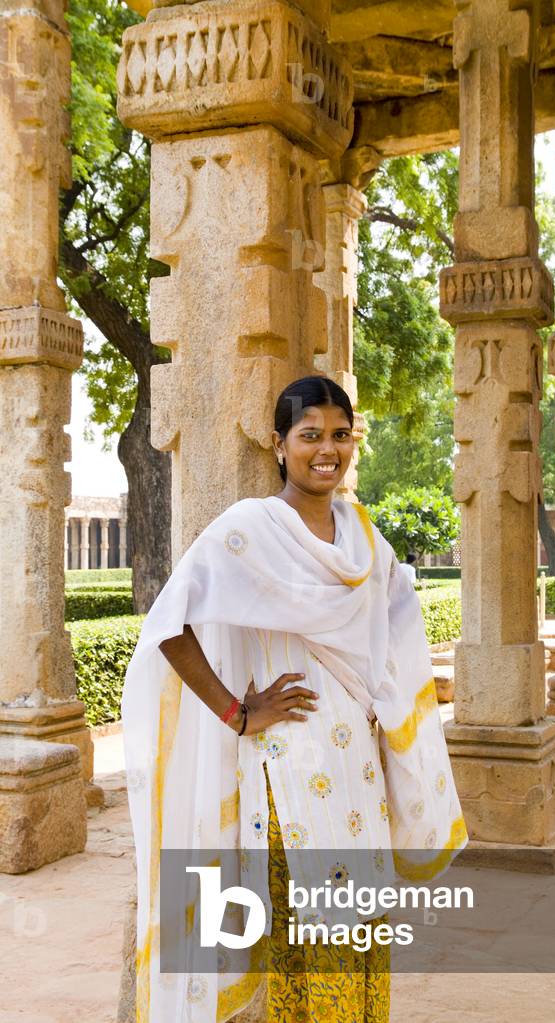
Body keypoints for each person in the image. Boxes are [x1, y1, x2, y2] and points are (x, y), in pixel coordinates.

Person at [121, 375, 467, 1023]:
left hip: (360, 780)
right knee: (310, 959)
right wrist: (238, 711)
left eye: (341, 434)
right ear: (280, 445)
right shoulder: (250, 529)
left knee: (361, 951)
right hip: (289, 783)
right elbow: (169, 624)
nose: (327, 449)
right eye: (311, 435)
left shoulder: (365, 540)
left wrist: (385, 707)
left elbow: (396, 640)